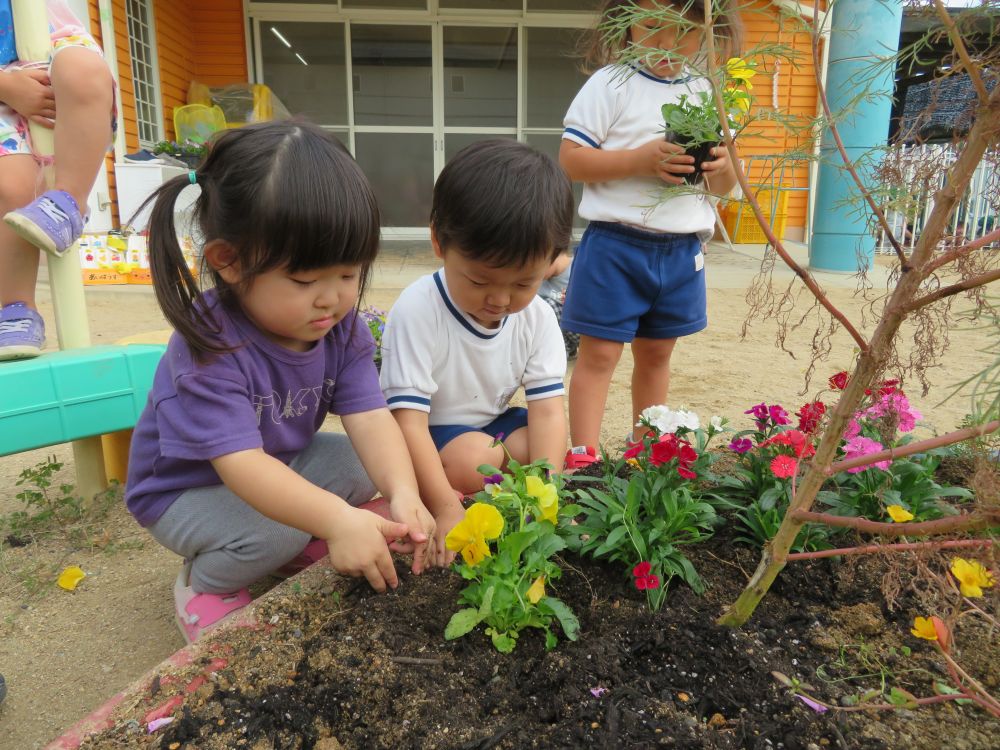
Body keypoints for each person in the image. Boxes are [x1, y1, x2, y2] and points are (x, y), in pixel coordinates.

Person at [124, 121, 437, 644]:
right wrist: (337, 520)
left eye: (348, 274)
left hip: (274, 462)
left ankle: (293, 536)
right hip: (185, 491)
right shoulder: (210, 344)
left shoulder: (340, 327)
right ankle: (208, 583)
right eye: (304, 280)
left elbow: (370, 419)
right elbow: (242, 467)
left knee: (368, 465)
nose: (331, 299)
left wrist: (403, 491)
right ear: (229, 261)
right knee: (278, 526)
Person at [559, 0, 742, 468]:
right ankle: (584, 457)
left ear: (708, 30)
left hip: (681, 250)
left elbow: (725, 186)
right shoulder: (611, 83)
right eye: (652, 27)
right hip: (615, 244)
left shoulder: (708, 92)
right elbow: (573, 160)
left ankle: (645, 453)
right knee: (599, 354)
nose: (666, 43)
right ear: (624, 26)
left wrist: (722, 168)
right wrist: (639, 160)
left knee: (657, 353)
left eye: (683, 30)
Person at [379, 140, 573, 564]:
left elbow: (548, 411)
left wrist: (548, 493)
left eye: (523, 283)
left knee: (544, 451)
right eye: (480, 281)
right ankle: (444, 494)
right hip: (434, 432)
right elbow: (407, 422)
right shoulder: (418, 310)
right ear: (438, 242)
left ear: (553, 262)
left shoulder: (537, 316)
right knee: (475, 461)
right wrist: (448, 509)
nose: (500, 299)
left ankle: (513, 503)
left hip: (494, 425)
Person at [0, 0, 115, 360]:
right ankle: (14, 305)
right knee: (12, 186)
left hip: (53, 51)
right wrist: (6, 86)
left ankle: (69, 200)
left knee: (82, 70)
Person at [537, 251, 580, 360]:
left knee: (549, 306)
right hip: (562, 330)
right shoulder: (537, 282)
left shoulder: (579, 268)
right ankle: (561, 352)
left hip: (584, 329)